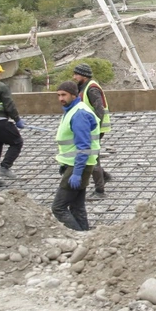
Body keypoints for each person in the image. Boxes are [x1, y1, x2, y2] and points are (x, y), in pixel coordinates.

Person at [52, 80, 99, 232]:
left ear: (74, 95)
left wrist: (77, 172)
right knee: (77, 207)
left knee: (58, 208)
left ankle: (79, 237)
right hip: (74, 164)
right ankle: (86, 237)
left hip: (79, 165)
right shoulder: (72, 110)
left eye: (64, 95)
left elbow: (84, 146)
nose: (60, 99)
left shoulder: (79, 114)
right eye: (58, 95)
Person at [71, 62, 113, 197]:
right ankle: (104, 176)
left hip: (95, 127)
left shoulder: (91, 89)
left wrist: (93, 128)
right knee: (92, 155)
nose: (74, 77)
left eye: (76, 74)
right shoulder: (84, 86)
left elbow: (99, 110)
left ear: (84, 75)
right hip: (89, 126)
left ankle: (100, 190)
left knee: (92, 157)